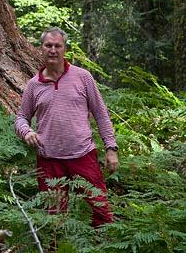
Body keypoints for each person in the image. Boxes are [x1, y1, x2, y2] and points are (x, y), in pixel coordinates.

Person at [14, 27, 118, 227]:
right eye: (48, 46)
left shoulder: (83, 77)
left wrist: (111, 149)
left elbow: (101, 114)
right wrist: (26, 132)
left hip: (83, 155)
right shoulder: (33, 85)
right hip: (49, 160)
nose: (53, 50)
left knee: (99, 210)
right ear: (41, 49)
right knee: (53, 219)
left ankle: (106, 252)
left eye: (57, 46)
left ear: (64, 49)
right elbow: (21, 118)